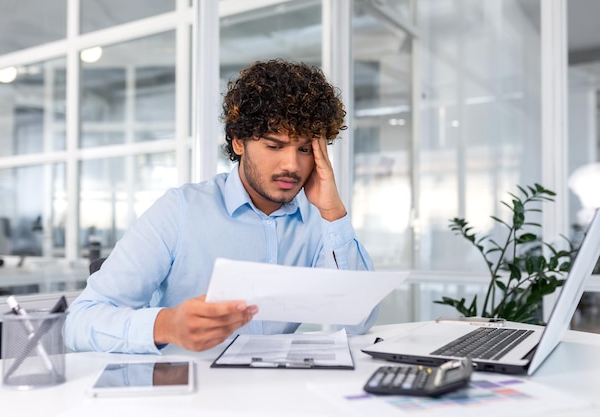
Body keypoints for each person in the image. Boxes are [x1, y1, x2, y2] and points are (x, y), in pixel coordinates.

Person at [64, 58, 377, 354]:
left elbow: (359, 322)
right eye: (274, 145)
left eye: (305, 149)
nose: (292, 165)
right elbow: (79, 321)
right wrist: (166, 325)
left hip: (277, 392)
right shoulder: (180, 210)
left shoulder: (318, 219)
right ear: (239, 142)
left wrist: (334, 214)